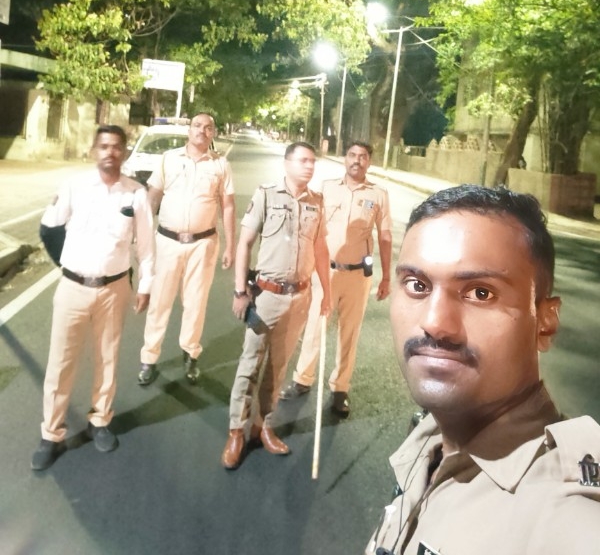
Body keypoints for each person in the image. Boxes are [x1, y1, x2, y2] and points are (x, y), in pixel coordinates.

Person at [366, 184, 600, 555]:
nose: (435, 323)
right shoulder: (430, 440)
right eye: (417, 285)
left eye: (480, 293)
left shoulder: (569, 518)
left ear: (545, 323)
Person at [32, 125, 155, 471]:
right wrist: (69, 265)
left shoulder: (136, 194)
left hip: (114, 289)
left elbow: (146, 247)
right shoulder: (74, 186)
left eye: (116, 147)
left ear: (124, 152)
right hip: (72, 288)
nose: (110, 152)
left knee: (108, 357)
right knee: (61, 362)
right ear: (94, 151)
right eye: (104, 146)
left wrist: (145, 285)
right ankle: (51, 433)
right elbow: (48, 229)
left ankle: (99, 420)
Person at [221, 141, 331, 470]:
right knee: (250, 365)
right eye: (303, 160)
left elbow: (321, 248)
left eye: (312, 161)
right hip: (267, 296)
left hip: (299, 297)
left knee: (278, 368)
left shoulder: (317, 202)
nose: (309, 166)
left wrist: (326, 291)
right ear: (287, 163)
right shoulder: (267, 195)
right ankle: (236, 431)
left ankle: (262, 426)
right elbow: (244, 243)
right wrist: (240, 291)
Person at [280, 140, 392, 417]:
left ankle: (340, 388)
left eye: (363, 156)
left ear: (369, 162)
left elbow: (385, 235)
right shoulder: (326, 189)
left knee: (349, 333)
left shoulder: (378, 195)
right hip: (325, 273)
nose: (357, 160)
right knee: (314, 327)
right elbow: (311, 229)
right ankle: (302, 379)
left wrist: (387, 277)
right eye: (352, 155)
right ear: (345, 159)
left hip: (358, 275)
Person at [138, 112, 235, 386]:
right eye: (197, 125)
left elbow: (228, 206)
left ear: (213, 133)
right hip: (167, 242)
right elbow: (152, 198)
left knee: (195, 303)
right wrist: (140, 238)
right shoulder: (168, 159)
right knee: (159, 301)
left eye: (208, 127)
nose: (202, 131)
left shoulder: (220, 165)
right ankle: (149, 358)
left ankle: (191, 354)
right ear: (189, 130)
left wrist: (231, 245)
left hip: (203, 244)